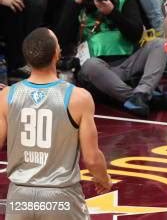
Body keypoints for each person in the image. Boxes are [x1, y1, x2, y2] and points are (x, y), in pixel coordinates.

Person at [0, 28, 111, 219]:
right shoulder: (79, 98)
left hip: (19, 197)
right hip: (61, 196)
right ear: (56, 54)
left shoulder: (7, 96)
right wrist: (104, 179)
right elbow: (92, 159)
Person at [56, 0, 167, 119]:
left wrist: (112, 13)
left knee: (160, 44)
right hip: (98, 70)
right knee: (91, 65)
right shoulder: (77, 2)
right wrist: (74, 5)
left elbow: (136, 35)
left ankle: (141, 92)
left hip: (128, 62)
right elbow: (60, 39)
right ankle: (140, 96)